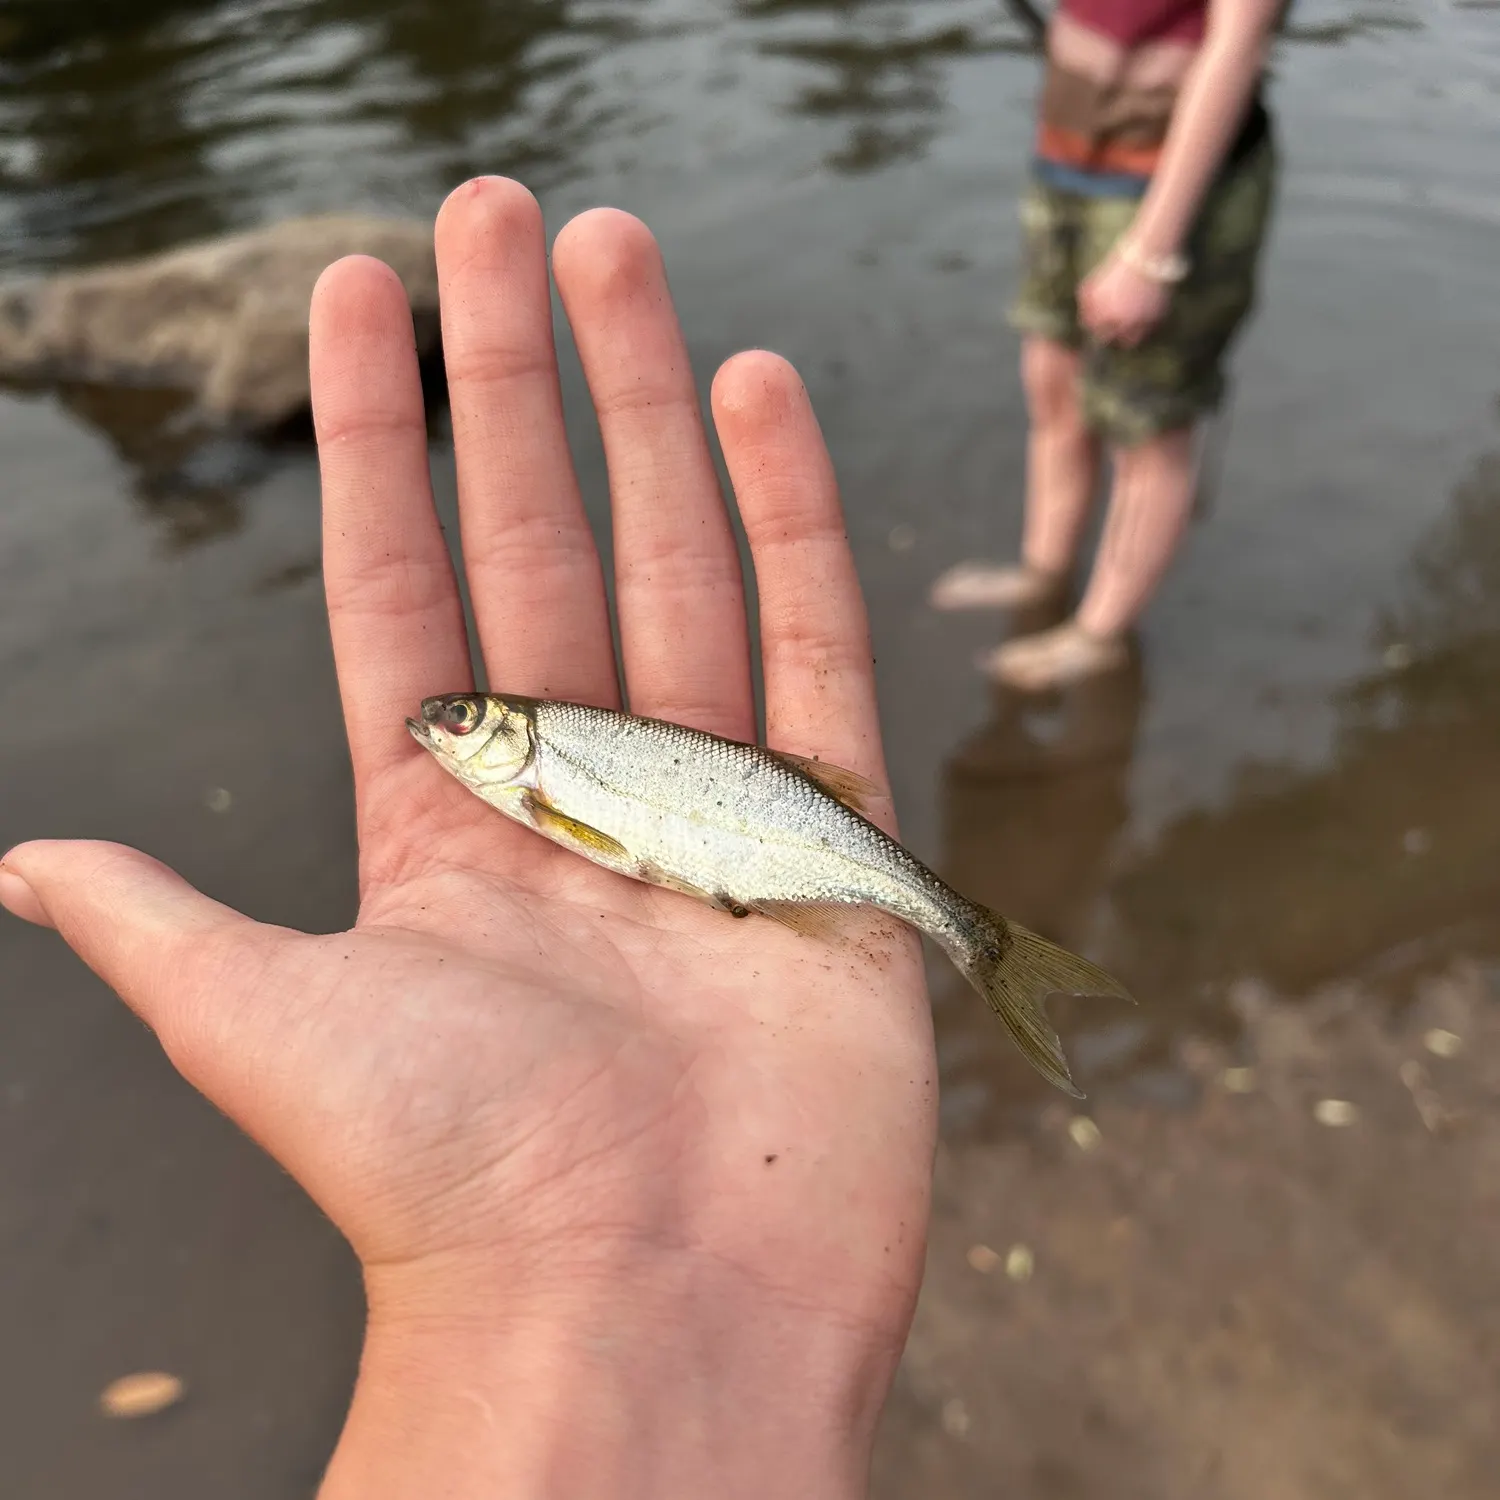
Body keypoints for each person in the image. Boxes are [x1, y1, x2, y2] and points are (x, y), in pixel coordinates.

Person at [0, 178, 936, 1498]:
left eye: (463, 719)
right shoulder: (519, 779)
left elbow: (549, 789)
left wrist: (526, 1301)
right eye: (455, 717)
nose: (442, 728)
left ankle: (977, 938)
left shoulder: (530, 769)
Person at [931, 0, 1284, 688]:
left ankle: (1101, 633)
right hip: (1069, 151)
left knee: (1146, 426)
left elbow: (1235, 47)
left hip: (1170, 190)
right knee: (1051, 382)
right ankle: (1044, 573)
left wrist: (1151, 254)